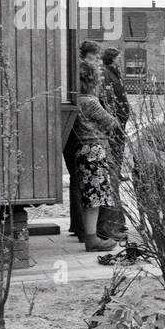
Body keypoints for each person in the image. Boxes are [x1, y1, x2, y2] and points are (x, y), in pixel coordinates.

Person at [73, 60, 119, 252]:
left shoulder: (77, 100)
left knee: (89, 197)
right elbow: (112, 123)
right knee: (96, 198)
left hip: (81, 149)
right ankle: (92, 239)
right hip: (94, 149)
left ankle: (90, 235)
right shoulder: (90, 102)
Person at [97, 47, 130, 241]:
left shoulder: (114, 73)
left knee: (114, 174)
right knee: (112, 176)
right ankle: (114, 221)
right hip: (114, 129)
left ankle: (117, 220)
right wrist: (115, 120)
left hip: (119, 127)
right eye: (118, 57)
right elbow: (108, 101)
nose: (120, 60)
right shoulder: (106, 74)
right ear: (112, 59)